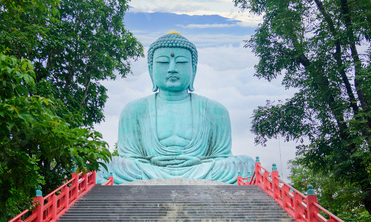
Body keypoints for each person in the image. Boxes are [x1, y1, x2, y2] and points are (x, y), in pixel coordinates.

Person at [97, 32, 254, 184]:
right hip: (148, 171)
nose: (172, 68)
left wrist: (197, 163)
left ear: (194, 69)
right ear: (151, 70)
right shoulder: (134, 110)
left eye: (181, 62)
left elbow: (221, 157)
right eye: (163, 63)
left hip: (202, 170)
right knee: (102, 165)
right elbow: (130, 158)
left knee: (246, 164)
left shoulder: (215, 110)